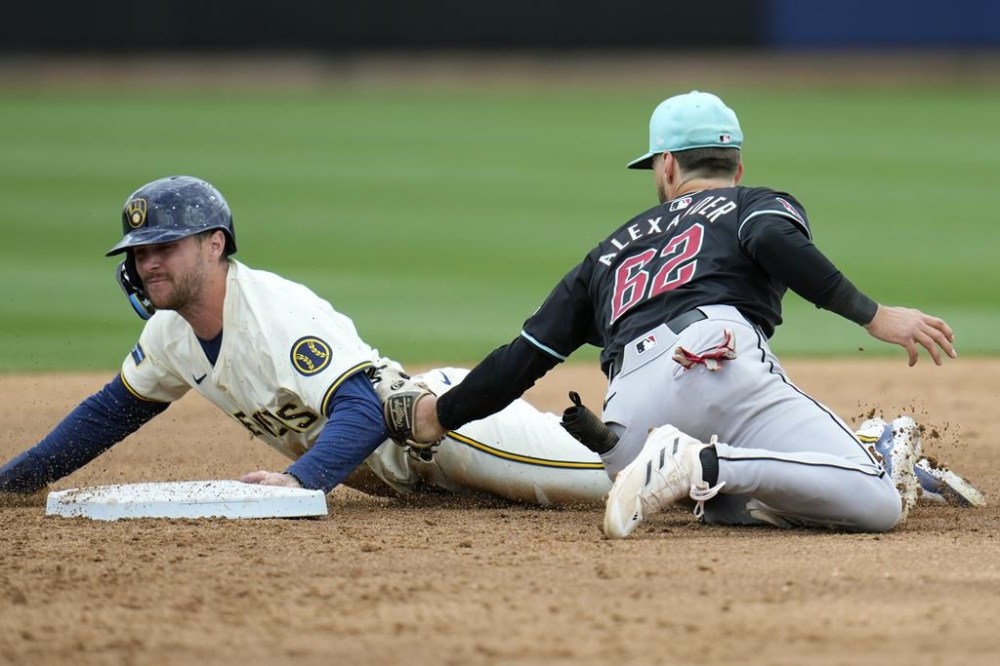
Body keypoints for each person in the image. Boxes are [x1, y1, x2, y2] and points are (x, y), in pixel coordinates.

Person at [404, 90, 976, 538]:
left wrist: (439, 416)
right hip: (716, 366)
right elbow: (777, 243)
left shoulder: (609, 250)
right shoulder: (750, 202)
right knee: (876, 501)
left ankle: (710, 486)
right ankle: (703, 467)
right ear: (738, 164)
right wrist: (874, 316)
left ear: (668, 166)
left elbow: (521, 359)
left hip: (625, 426)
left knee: (755, 503)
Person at [0, 176, 610, 507]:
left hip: (449, 430)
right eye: (139, 252)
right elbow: (109, 413)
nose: (148, 263)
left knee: (614, 480)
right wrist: (16, 480)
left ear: (214, 244)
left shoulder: (272, 312)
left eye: (165, 247)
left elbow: (366, 407)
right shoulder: (168, 334)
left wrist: (302, 481)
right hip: (417, 476)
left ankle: (699, 459)